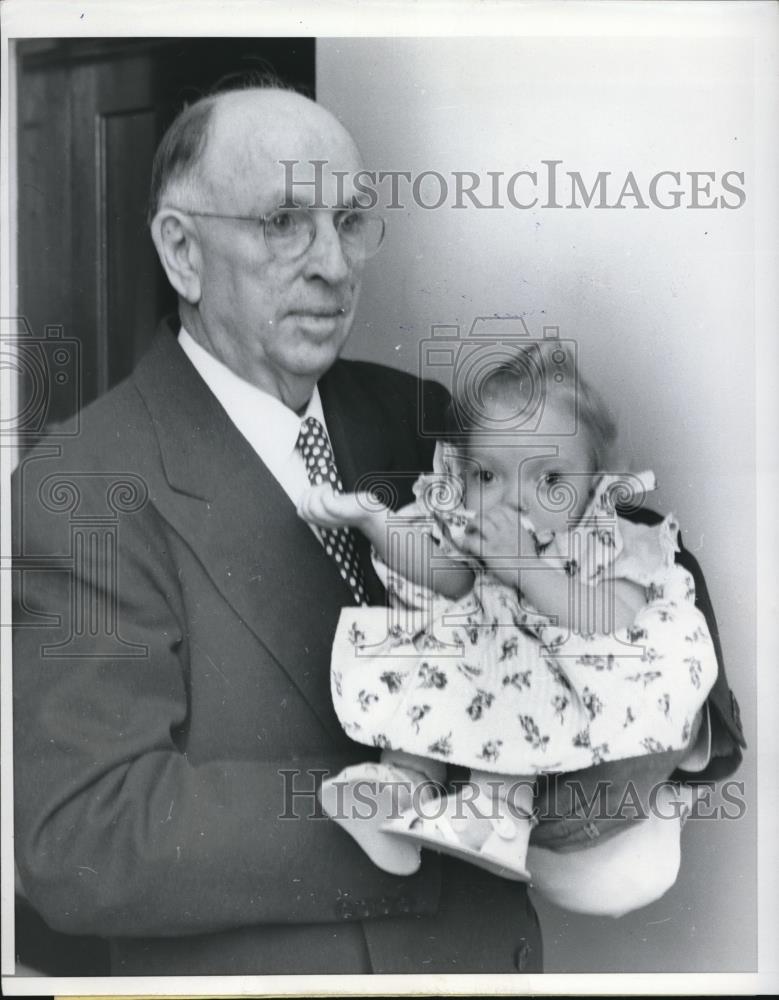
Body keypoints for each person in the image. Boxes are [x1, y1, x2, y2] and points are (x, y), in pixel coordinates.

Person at [11, 85, 745, 977]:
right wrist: (421, 816)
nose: (333, 262)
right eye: (285, 219)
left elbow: (618, 542)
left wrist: (634, 646)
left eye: (351, 220)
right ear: (182, 251)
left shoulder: (417, 416)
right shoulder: (85, 483)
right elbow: (85, 833)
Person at [298, 345, 717, 906]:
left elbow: (607, 621)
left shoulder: (607, 543)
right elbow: (440, 574)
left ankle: (496, 816)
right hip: (472, 674)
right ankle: (400, 788)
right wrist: (376, 523)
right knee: (428, 657)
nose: (512, 500)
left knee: (518, 684)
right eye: (488, 474)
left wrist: (524, 566)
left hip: (564, 691)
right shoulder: (476, 535)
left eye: (548, 479)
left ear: (595, 486)